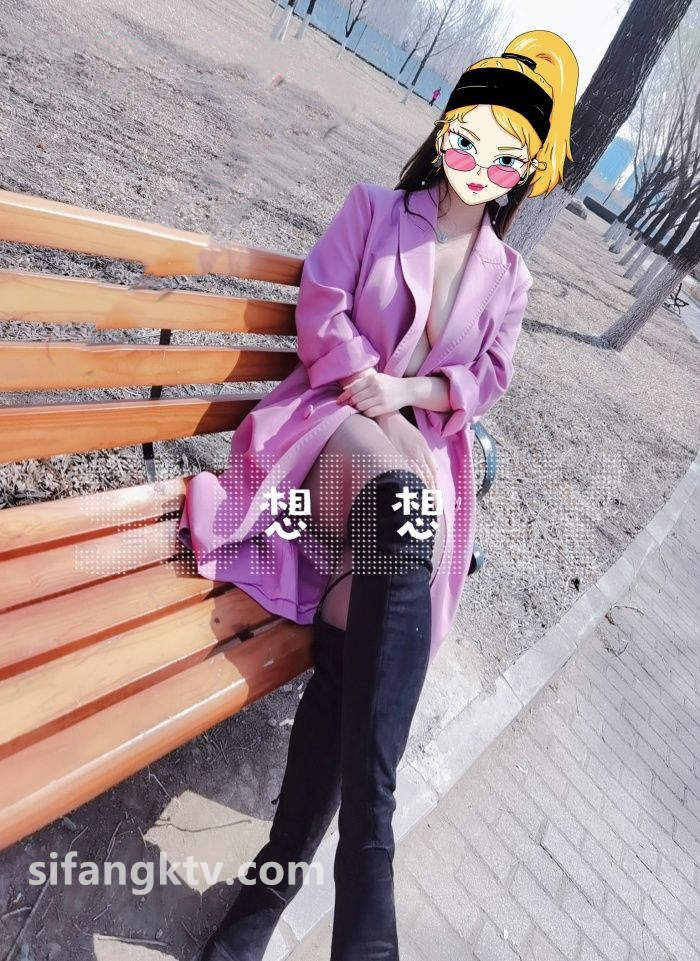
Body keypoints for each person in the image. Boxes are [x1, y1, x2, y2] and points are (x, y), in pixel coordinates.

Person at [184, 27, 578, 961]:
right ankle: (370, 860)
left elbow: (487, 377)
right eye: (471, 136)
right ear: (447, 130)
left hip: (404, 476)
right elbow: (321, 310)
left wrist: (410, 395)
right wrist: (373, 385)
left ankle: (269, 893)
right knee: (405, 502)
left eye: (507, 153)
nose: (481, 162)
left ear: (526, 172)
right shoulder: (373, 210)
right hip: (324, 432)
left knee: (361, 633)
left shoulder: (510, 276)